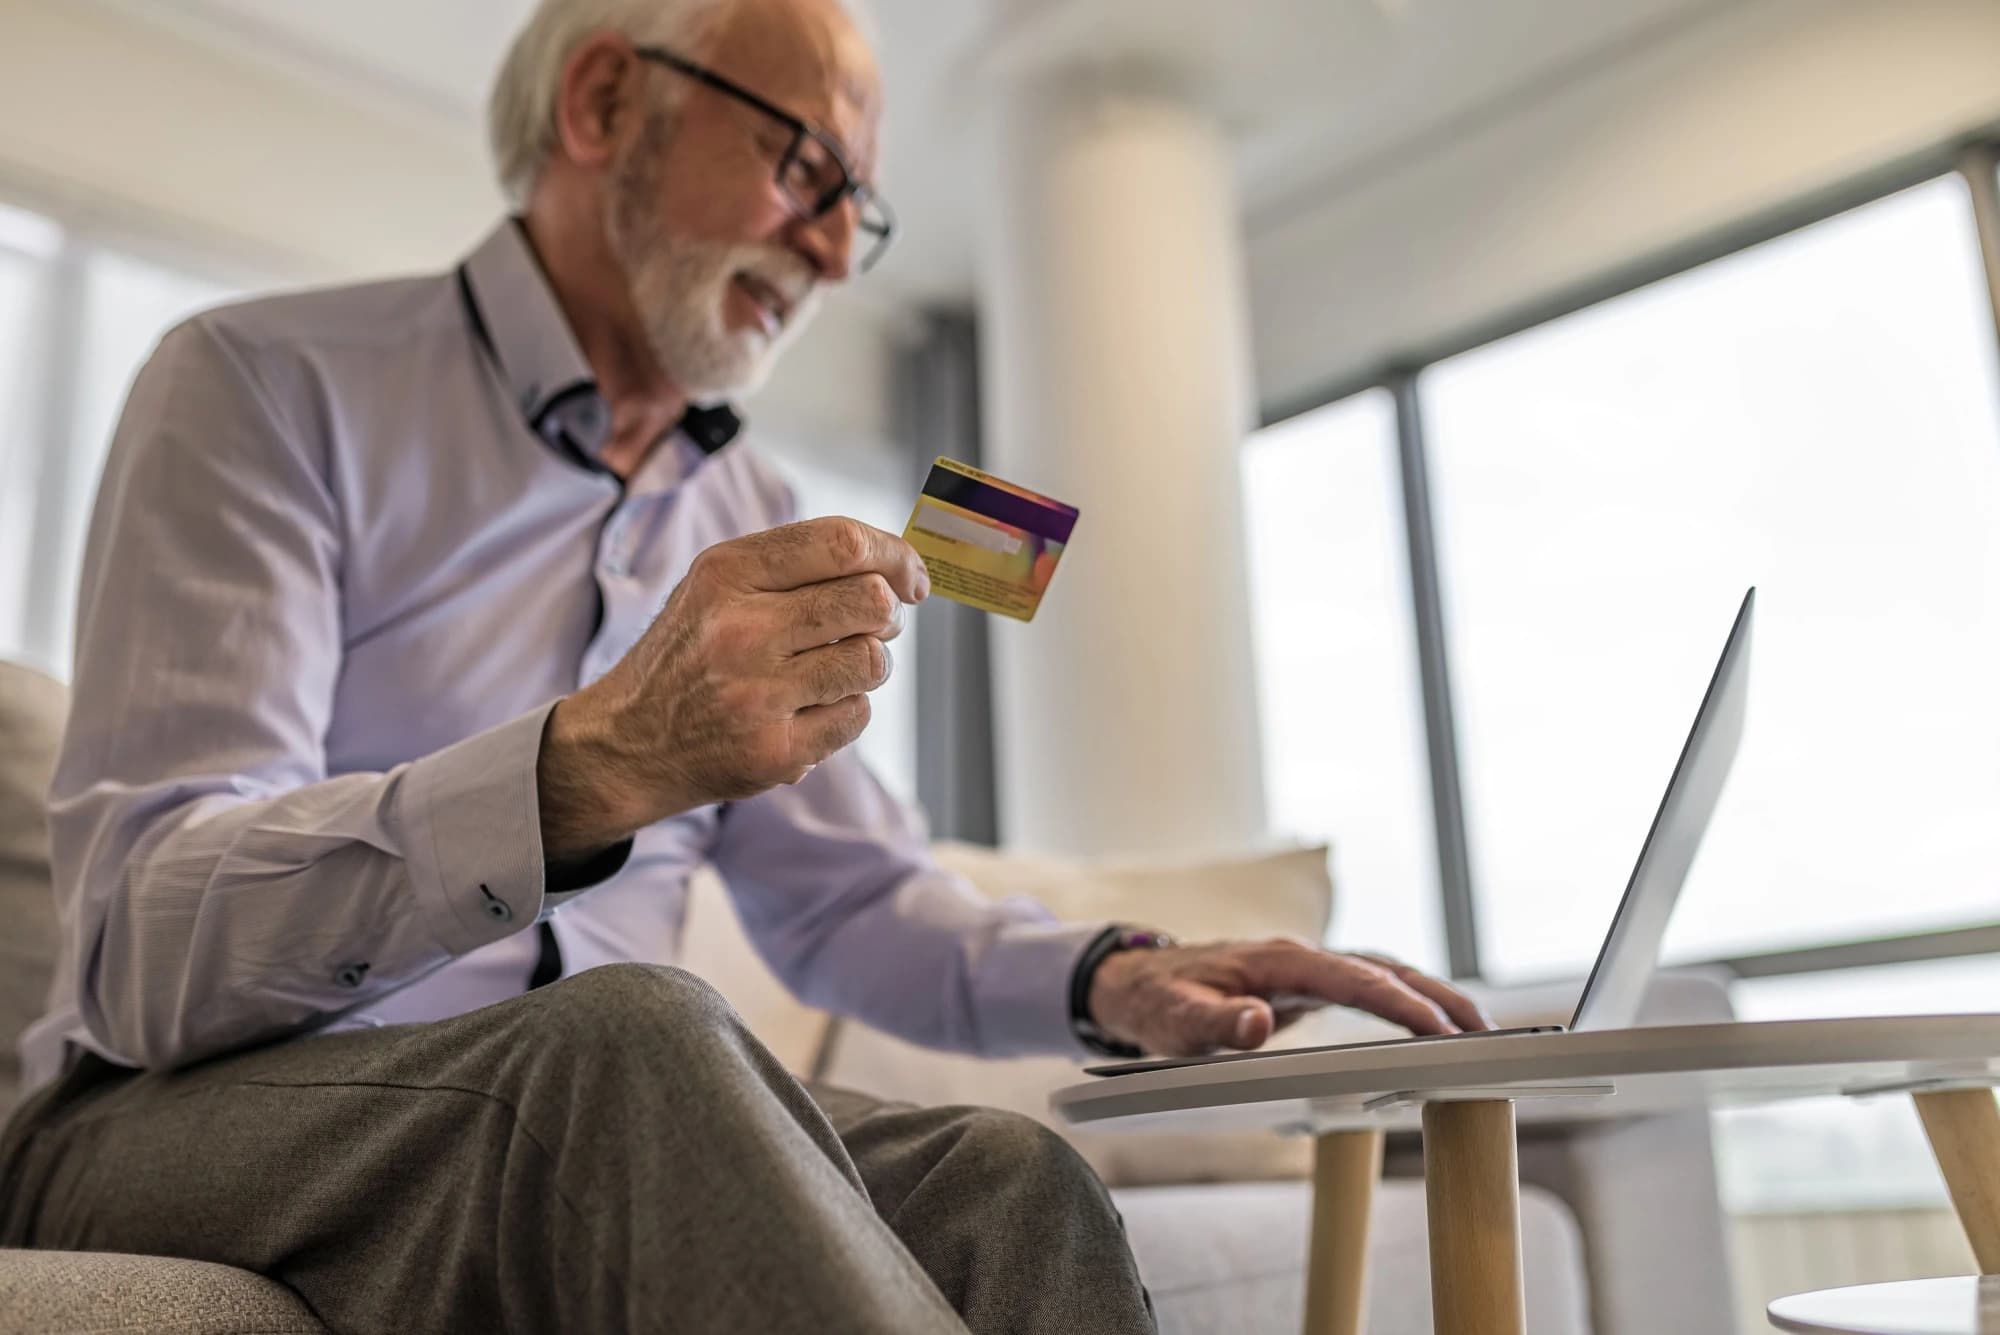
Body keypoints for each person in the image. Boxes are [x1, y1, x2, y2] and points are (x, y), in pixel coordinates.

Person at [0, 0, 1489, 1329]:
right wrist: (588, 769)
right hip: (173, 1112)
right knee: (631, 1040)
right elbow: (142, 951)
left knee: (1007, 1183)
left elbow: (855, 900)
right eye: (805, 169)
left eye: (861, 213)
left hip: (585, 1122)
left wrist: (1120, 975)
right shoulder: (264, 386)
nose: (834, 252)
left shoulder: (748, 506)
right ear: (604, 103)